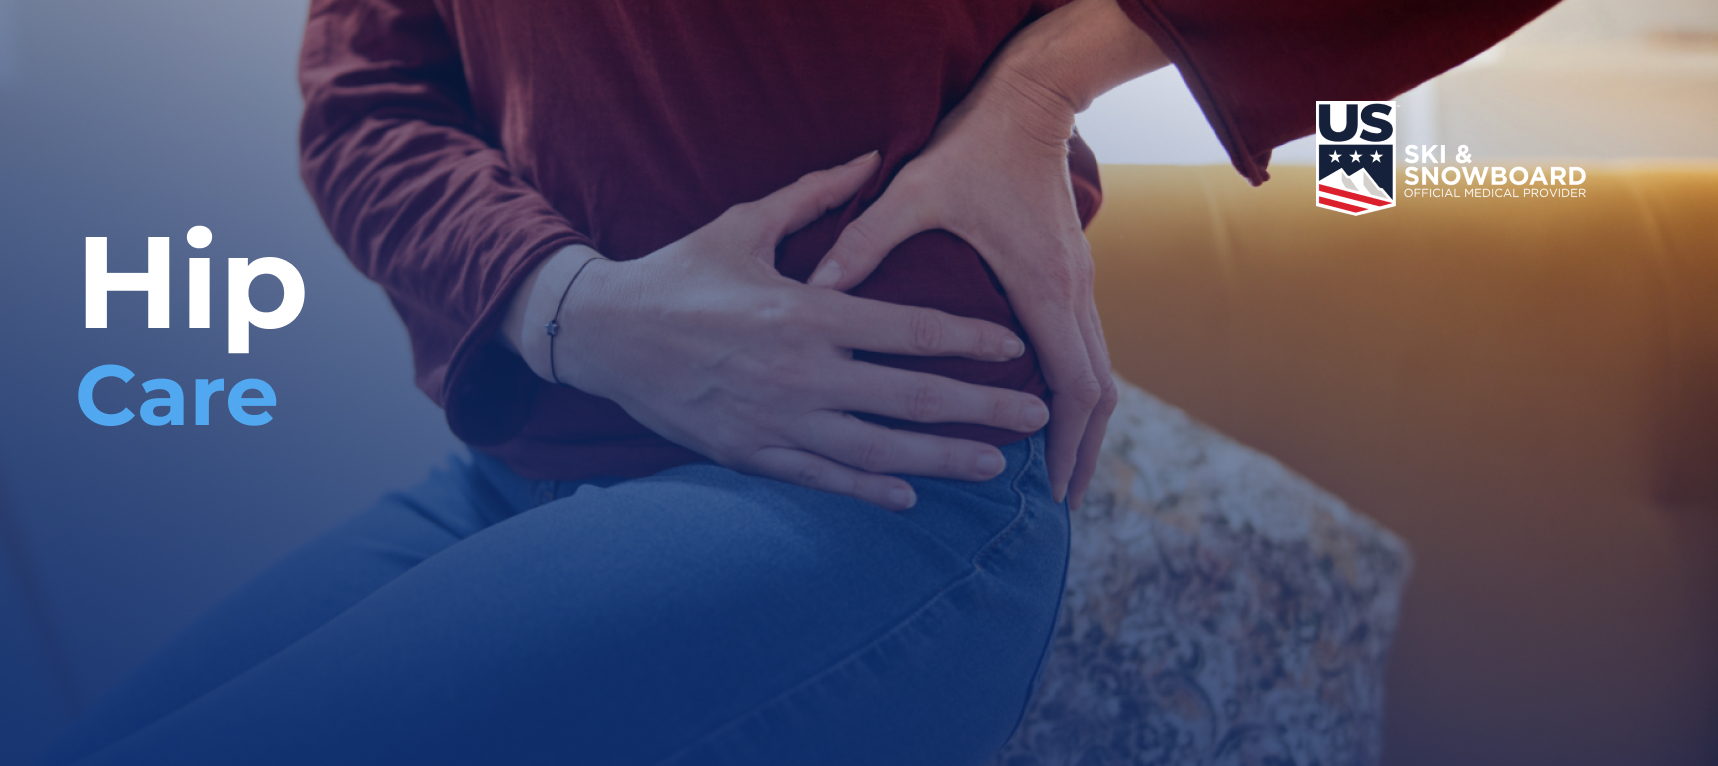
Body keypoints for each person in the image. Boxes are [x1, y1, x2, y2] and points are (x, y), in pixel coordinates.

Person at [36, 0, 1556, 763]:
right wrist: (577, 310)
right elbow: (364, 98)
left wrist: (1046, 79)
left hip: (868, 494)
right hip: (519, 472)